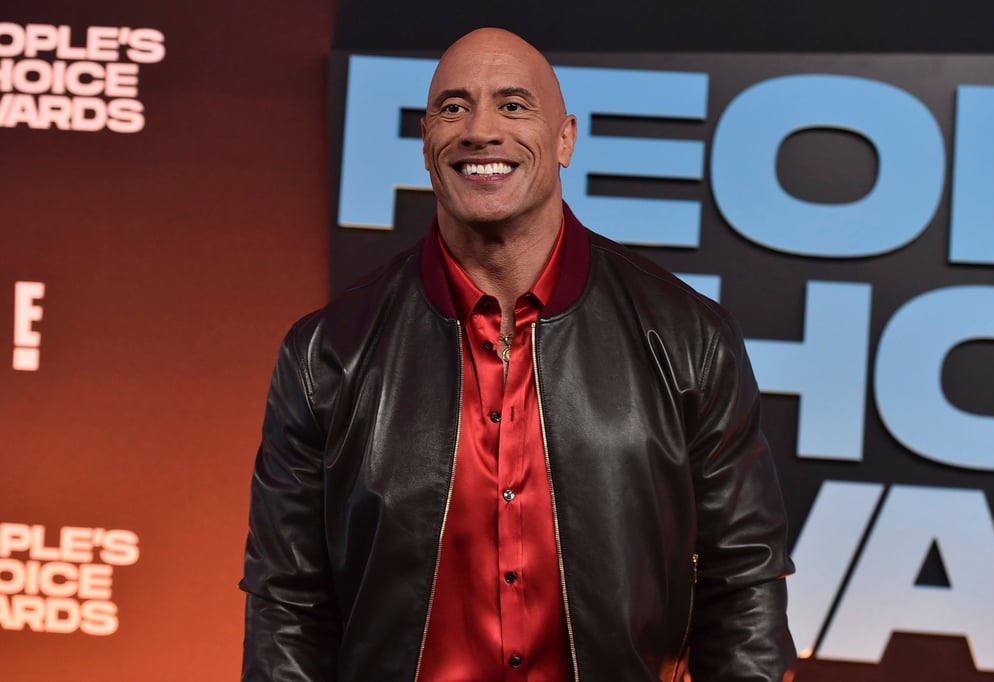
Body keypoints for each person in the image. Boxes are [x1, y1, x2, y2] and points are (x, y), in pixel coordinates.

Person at [240, 27, 796, 682]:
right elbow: (288, 603)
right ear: (425, 141)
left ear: (565, 138)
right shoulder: (326, 351)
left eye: (512, 105)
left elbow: (744, 581)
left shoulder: (688, 335)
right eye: (453, 107)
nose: (480, 131)